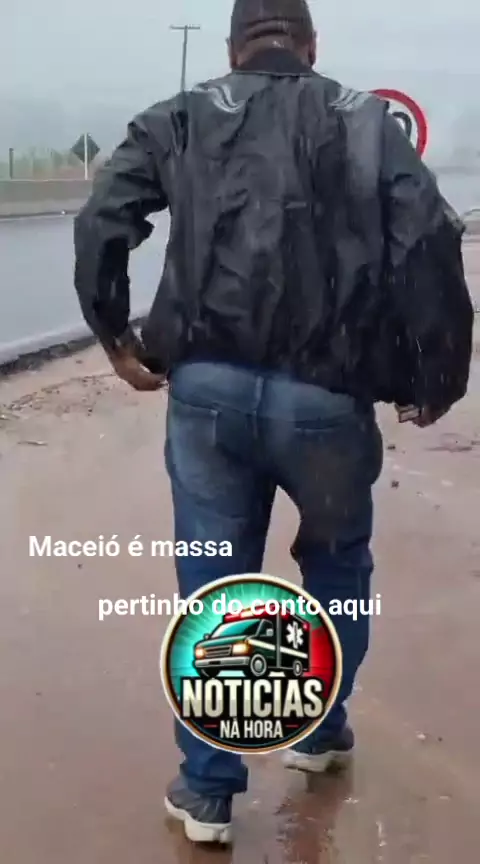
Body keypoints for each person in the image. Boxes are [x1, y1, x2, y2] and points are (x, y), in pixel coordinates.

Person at [73, 0, 474, 846]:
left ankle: (207, 790)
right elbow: (431, 243)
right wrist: (435, 377)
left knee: (215, 585)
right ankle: (319, 732)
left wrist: (115, 336)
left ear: (232, 50)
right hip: (328, 399)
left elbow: (103, 216)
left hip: (207, 391)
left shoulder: (181, 116)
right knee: (336, 567)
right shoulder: (367, 123)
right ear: (310, 45)